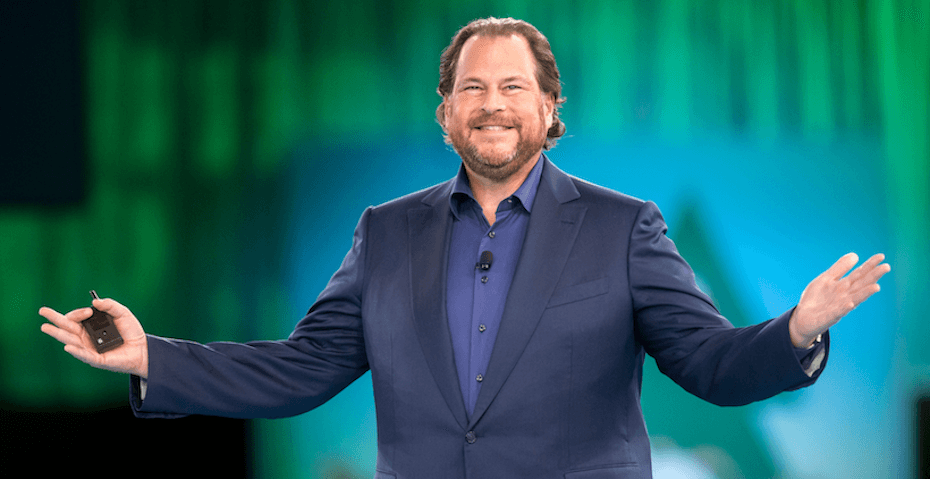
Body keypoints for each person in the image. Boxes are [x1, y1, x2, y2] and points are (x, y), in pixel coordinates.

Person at [40, 17, 890, 479]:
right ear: (443, 113)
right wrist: (157, 356)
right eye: (472, 86)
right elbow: (300, 369)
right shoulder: (385, 230)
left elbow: (709, 362)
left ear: (552, 110)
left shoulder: (624, 226)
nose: (493, 102)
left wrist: (795, 332)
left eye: (514, 85)